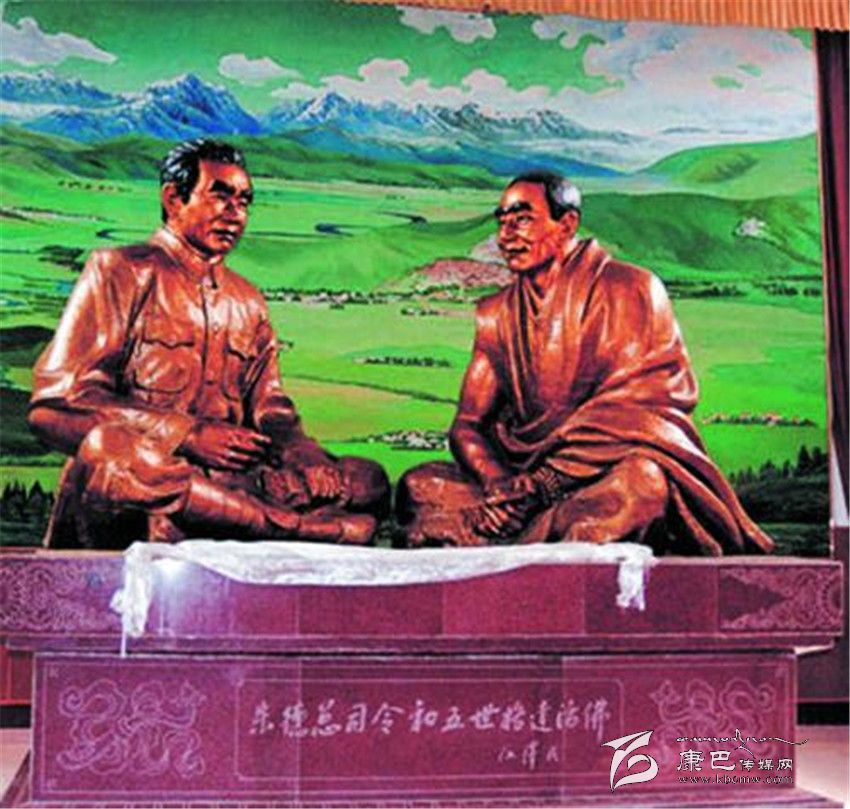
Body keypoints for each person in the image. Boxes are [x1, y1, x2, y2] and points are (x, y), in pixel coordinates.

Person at [28, 139, 389, 549]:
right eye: (220, 196)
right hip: (150, 477)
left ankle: (243, 516)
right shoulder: (120, 272)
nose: (234, 213)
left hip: (230, 485)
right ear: (173, 199)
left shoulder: (248, 301)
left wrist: (299, 449)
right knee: (109, 448)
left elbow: (270, 406)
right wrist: (188, 435)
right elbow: (52, 410)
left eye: (244, 201)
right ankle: (287, 529)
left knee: (367, 479)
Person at [396, 172, 773, 555]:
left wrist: (546, 482)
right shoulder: (497, 314)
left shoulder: (632, 289)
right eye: (502, 222)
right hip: (521, 479)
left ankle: (514, 540)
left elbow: (641, 407)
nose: (505, 236)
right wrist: (499, 484)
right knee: (419, 484)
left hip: (599, 474)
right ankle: (538, 532)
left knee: (643, 486)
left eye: (522, 219)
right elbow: (468, 424)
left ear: (567, 224)